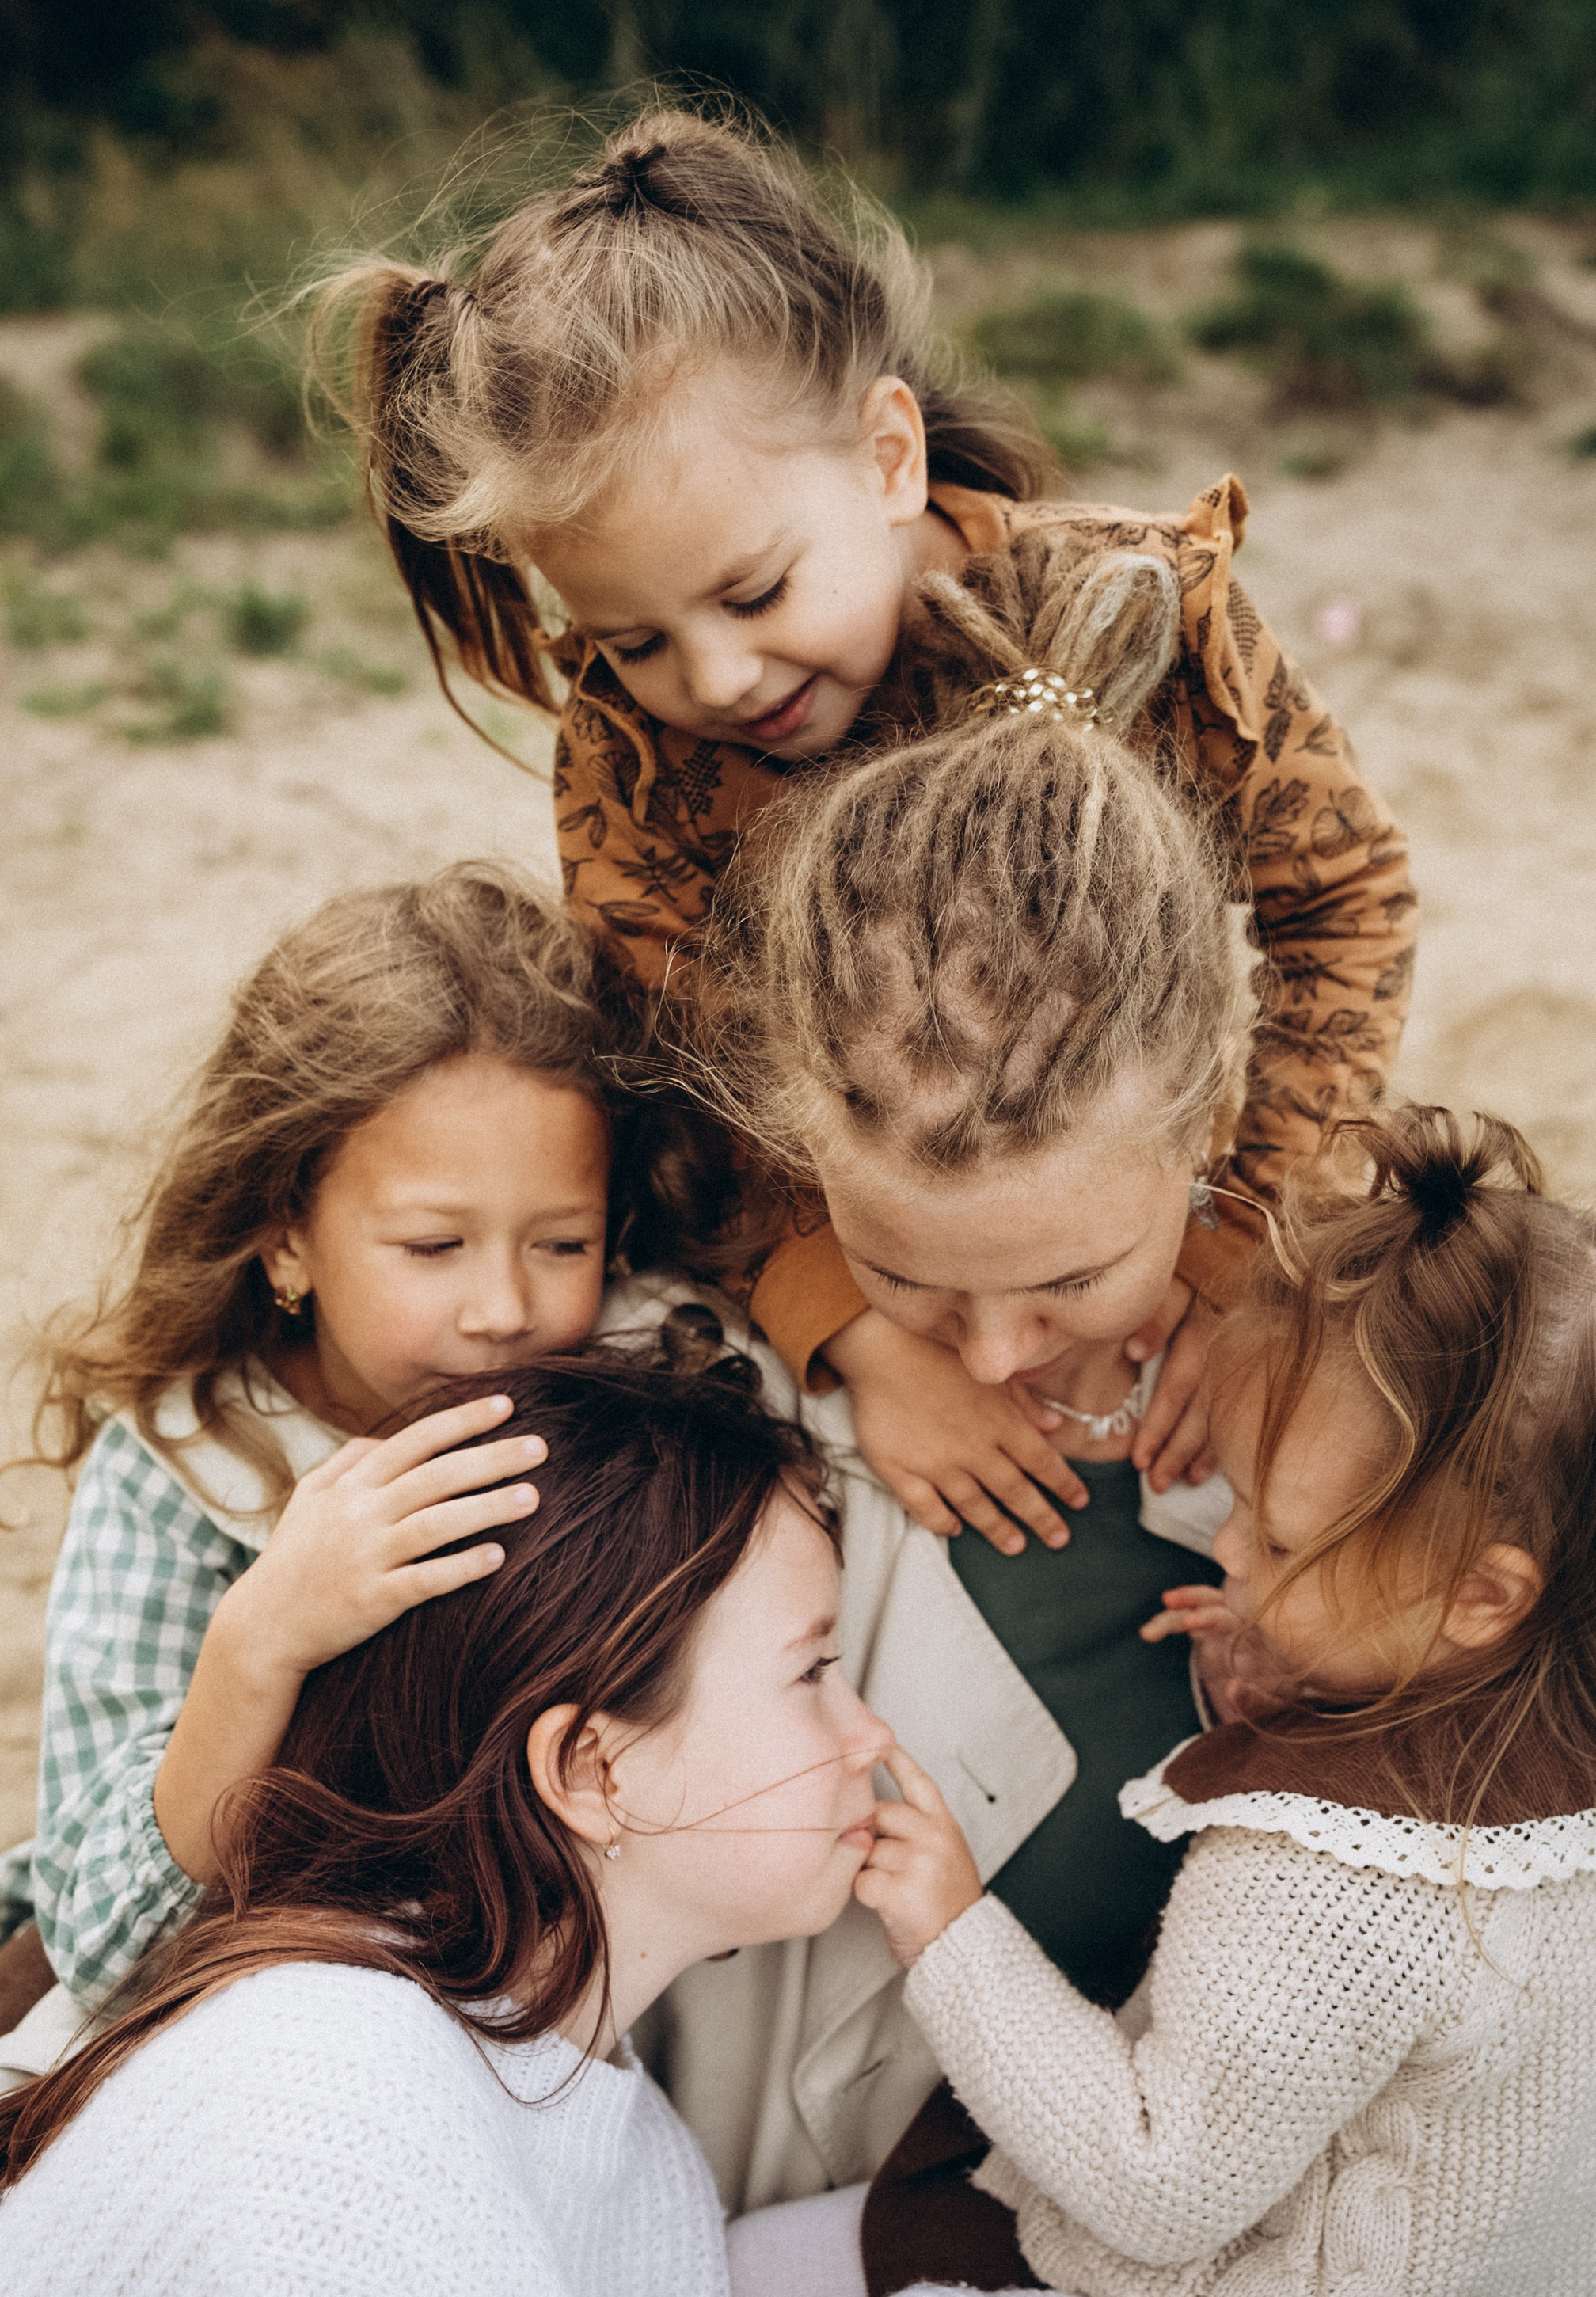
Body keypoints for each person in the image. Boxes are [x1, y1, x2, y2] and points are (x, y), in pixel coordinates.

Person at [311, 99, 1415, 1550]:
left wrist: (1238, 1247)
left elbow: (1344, 902)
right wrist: (865, 1338)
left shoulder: (1148, 618)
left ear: (889, 455)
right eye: (630, 638)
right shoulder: (634, 751)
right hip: (856, 1240)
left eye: (755, 593)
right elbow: (674, 1073)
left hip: (1152, 1190)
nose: (712, 679)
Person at [0, 1340, 1142, 2297]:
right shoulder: (349, 2092)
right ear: (593, 1771)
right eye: (812, 1674)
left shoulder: (600, 2115)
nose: (870, 1738)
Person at [624, 545, 1248, 2216]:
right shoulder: (714, 1396)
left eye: (1068, 1280)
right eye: (905, 1272)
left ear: (1210, 1125)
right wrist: (853, 1334)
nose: (984, 1354)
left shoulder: (1384, 1410)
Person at [854, 1107, 1596, 2297]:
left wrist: (949, 1929)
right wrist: (1294, 1669)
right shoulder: (1551, 1711)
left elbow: (1158, 2181)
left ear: (1481, 1595)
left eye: (1281, 1534)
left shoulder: (1321, 1880)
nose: (1232, 1552)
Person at [0, 860, 720, 2027]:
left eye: (562, 1243)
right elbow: (102, 1948)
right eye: (433, 1247)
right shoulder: (194, 1472)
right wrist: (264, 1640)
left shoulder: (647, 1377)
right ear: (287, 1240)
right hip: (277, 2023)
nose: (504, 1309)